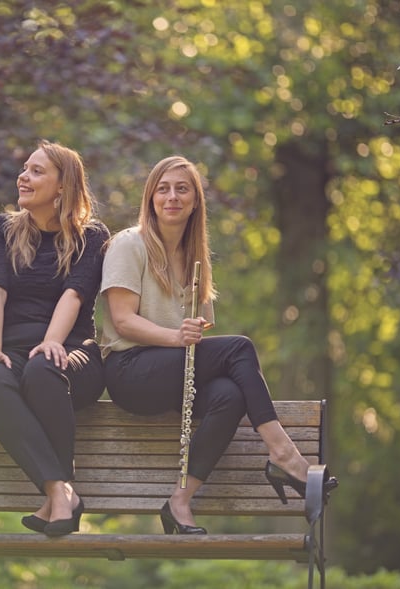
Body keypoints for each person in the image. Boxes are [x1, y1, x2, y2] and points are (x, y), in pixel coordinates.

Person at [100, 155, 326, 535]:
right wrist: (175, 336)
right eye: (163, 188)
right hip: (129, 371)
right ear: (151, 197)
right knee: (239, 348)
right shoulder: (128, 244)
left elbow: (199, 330)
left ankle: (180, 501)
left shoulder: (196, 257)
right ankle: (284, 454)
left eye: (182, 189)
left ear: (195, 200)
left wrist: (184, 337)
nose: (172, 197)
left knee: (229, 394)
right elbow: (122, 320)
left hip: (171, 372)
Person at [0, 140, 109, 537]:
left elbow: (75, 294)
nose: (23, 176)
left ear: (63, 186)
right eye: (24, 169)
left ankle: (58, 496)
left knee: (43, 368)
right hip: (11, 347)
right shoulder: (1, 229)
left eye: (36, 171)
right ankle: (60, 490)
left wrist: (52, 341)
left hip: (71, 351)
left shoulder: (92, 235)